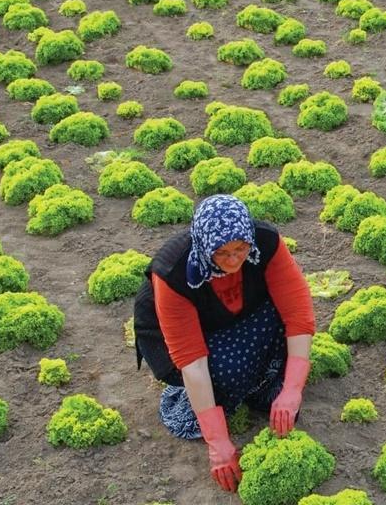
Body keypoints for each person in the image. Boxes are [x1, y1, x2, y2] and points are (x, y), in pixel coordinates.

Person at [133, 195, 315, 493]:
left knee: (284, 330)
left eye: (241, 249)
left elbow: (298, 315)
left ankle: (262, 388)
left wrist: (292, 390)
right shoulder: (174, 272)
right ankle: (202, 403)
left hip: (237, 317)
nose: (233, 260)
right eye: (221, 253)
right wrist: (217, 441)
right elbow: (192, 360)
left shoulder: (265, 242)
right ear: (204, 246)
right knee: (227, 370)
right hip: (179, 341)